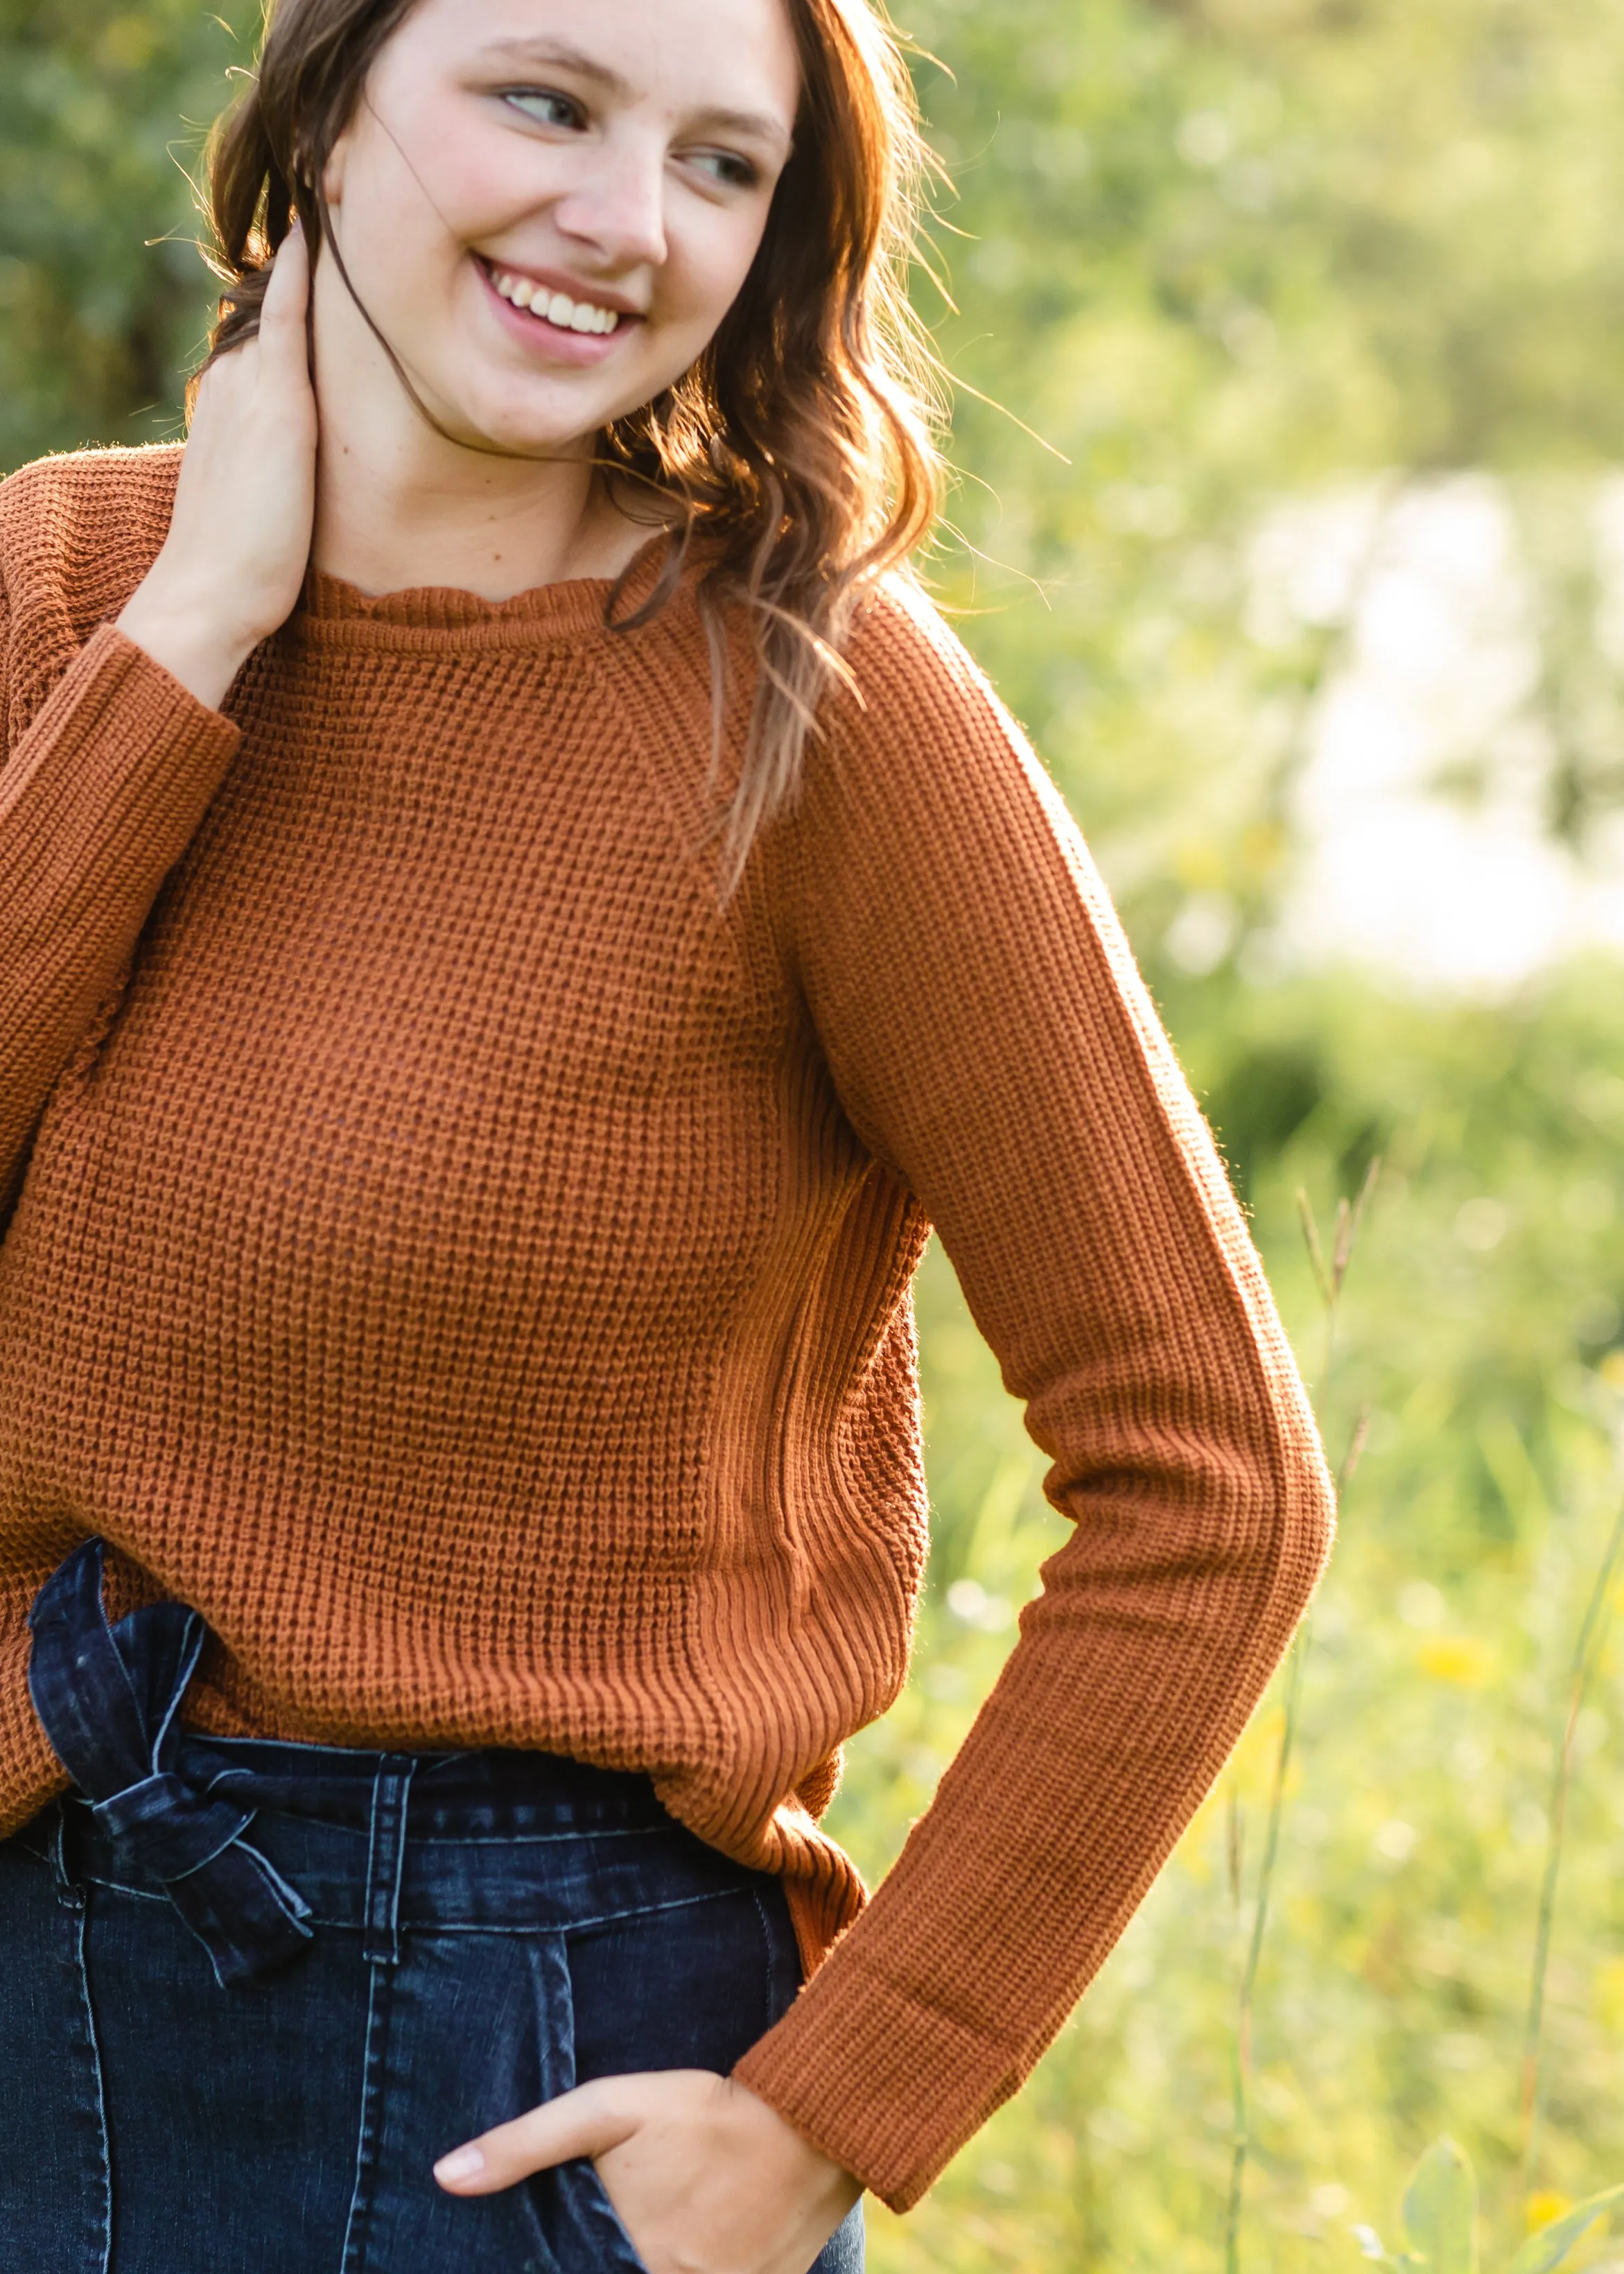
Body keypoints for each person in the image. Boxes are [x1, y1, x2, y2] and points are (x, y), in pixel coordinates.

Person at [0, 0, 1335, 2268]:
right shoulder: (60, 586)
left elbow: (1210, 1474)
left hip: (518, 2080)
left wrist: (832, 2105)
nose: (624, 222)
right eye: (545, 100)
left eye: (723, 165)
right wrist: (198, 625)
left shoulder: (810, 698)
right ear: (321, 108)